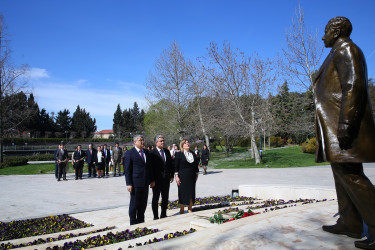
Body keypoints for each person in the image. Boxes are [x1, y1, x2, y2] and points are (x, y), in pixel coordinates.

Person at [315, 17, 375, 249]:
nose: (323, 36)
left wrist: (346, 124)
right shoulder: (336, 52)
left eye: (326, 31)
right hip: (335, 124)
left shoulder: (347, 49)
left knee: (352, 176)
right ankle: (350, 223)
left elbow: (353, 86)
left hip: (343, 126)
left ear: (337, 31)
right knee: (342, 174)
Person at [125, 135, 154, 225]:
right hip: (135, 183)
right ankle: (133, 223)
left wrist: (152, 180)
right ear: (135, 142)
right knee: (134, 204)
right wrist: (129, 183)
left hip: (145, 183)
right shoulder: (130, 153)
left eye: (143, 140)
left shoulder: (146, 152)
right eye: (140, 140)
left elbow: (149, 167)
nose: (142, 142)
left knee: (143, 204)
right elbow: (127, 170)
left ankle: (141, 221)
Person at [150, 135, 174, 219]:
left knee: (165, 197)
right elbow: (151, 168)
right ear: (156, 143)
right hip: (156, 180)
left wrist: (171, 175)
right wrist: (151, 180)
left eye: (163, 141)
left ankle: (163, 214)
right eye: (161, 141)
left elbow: (170, 164)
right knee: (155, 198)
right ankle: (155, 216)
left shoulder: (167, 152)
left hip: (166, 179)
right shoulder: (152, 153)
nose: (163, 142)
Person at [174, 139, 199, 214]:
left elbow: (196, 165)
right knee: (182, 192)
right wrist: (176, 176)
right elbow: (176, 166)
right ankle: (182, 208)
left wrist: (197, 174)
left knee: (191, 192)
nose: (187, 144)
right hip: (182, 176)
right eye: (185, 143)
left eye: (188, 142)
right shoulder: (179, 154)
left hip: (191, 176)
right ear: (182, 145)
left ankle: (189, 208)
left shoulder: (193, 153)